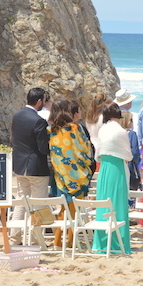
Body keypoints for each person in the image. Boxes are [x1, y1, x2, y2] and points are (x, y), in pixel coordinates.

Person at [47, 99, 94, 249]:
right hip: (77, 175)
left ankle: (57, 241)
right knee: (74, 211)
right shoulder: (75, 128)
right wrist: (88, 163)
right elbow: (85, 149)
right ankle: (70, 242)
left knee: (63, 209)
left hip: (60, 175)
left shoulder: (51, 130)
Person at [9, 87, 50, 245]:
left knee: (21, 202)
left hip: (20, 166)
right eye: (44, 101)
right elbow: (43, 148)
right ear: (39, 101)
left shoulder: (17, 116)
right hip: (36, 167)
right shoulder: (38, 120)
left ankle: (14, 238)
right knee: (38, 204)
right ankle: (35, 240)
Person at [93, 103, 132, 254]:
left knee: (104, 202)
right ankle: (118, 243)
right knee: (118, 203)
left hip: (104, 168)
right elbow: (128, 155)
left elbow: (99, 152)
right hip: (117, 169)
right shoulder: (121, 131)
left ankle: (102, 243)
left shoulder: (102, 129)